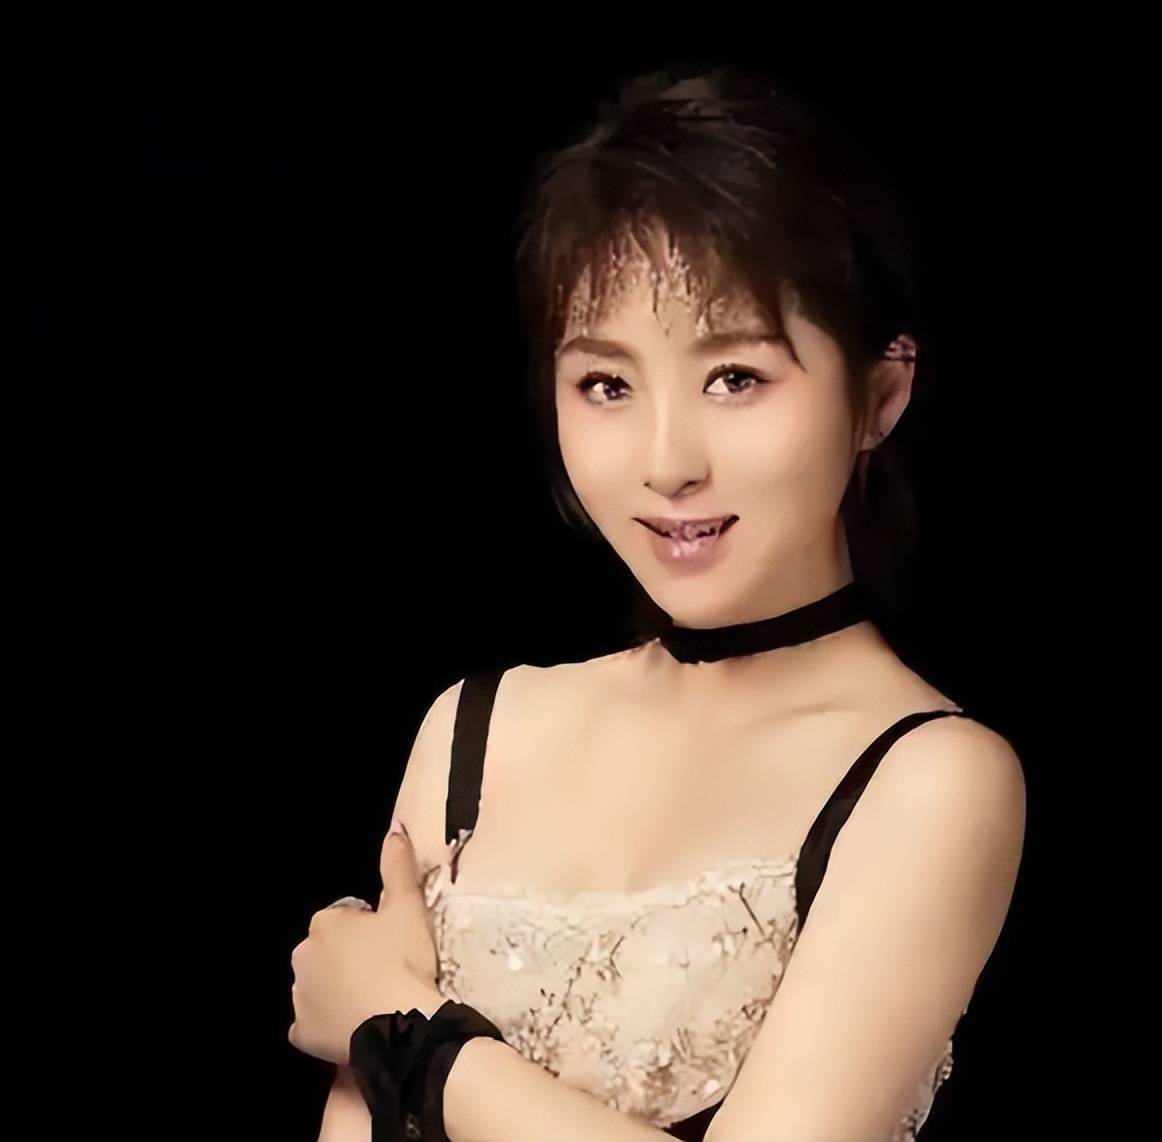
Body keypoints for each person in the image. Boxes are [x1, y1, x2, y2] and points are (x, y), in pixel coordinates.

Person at [302, 61, 1026, 1141]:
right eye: (606, 384)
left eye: (735, 378)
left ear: (880, 394)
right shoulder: (475, 732)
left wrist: (409, 1040)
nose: (667, 462)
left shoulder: (930, 777)